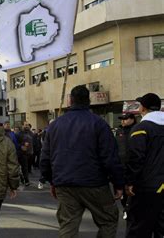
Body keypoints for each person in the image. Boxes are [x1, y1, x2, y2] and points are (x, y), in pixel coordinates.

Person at [40, 85, 124, 238]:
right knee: (108, 220)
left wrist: (52, 181)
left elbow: (45, 158)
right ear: (89, 100)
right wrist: (118, 184)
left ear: (70, 100)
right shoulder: (99, 124)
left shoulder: (55, 125)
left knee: (68, 225)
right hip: (94, 183)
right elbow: (110, 158)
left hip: (65, 184)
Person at [125, 93, 164, 238]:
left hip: (147, 188)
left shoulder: (141, 129)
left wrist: (129, 182)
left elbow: (136, 158)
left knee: (139, 229)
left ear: (143, 108)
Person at [114, 113, 136, 219]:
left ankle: (130, 209)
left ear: (132, 119)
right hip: (121, 165)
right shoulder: (119, 131)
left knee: (132, 189)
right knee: (123, 189)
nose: (123, 121)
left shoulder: (136, 130)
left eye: (125, 119)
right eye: (122, 119)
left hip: (133, 164)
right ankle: (125, 208)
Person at [17, 122, 34, 186]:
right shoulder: (19, 134)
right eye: (25, 125)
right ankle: (27, 180)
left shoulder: (31, 133)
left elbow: (33, 142)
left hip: (31, 153)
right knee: (25, 167)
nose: (26, 126)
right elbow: (16, 143)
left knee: (28, 168)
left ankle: (22, 176)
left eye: (27, 125)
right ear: (22, 126)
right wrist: (22, 145)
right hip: (23, 154)